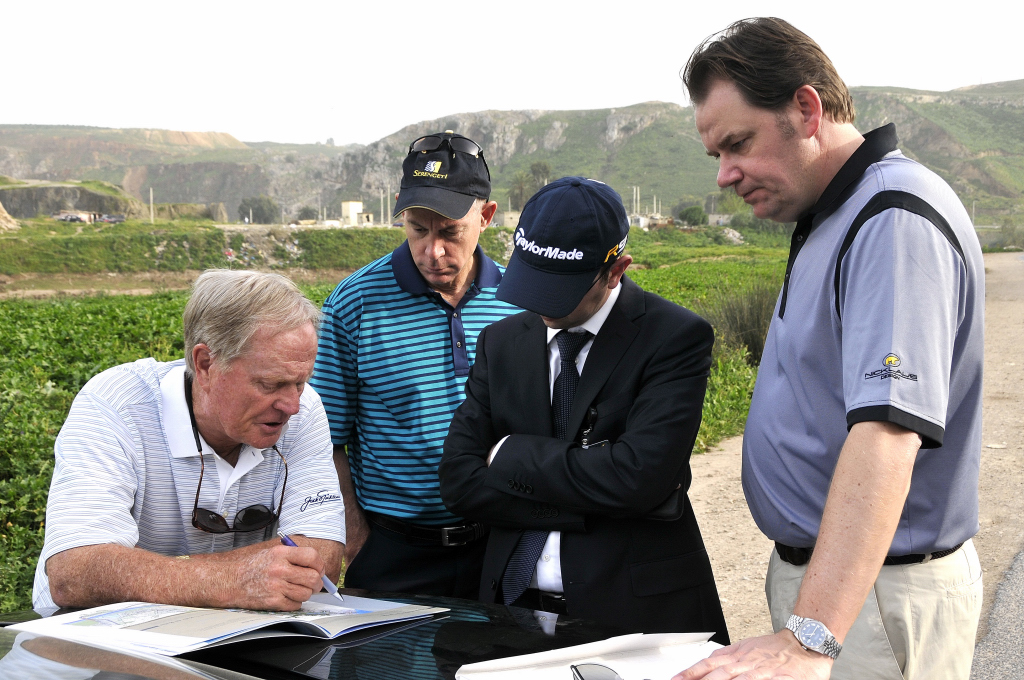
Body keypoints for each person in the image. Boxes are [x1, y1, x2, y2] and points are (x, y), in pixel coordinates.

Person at [675, 18, 985, 680]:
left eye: (738, 144)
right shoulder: (833, 213)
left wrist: (810, 635)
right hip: (847, 595)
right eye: (716, 157)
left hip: (871, 602)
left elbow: (886, 434)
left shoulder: (892, 218)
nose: (727, 175)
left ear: (806, 109)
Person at [438, 176, 729, 641]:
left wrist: (511, 455)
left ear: (615, 270)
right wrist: (595, 499)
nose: (541, 308)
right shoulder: (502, 341)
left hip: (636, 619)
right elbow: (458, 478)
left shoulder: (674, 338)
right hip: (512, 612)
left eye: (559, 292)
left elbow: (639, 477)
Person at [33, 270, 346, 612]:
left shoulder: (306, 408)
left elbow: (321, 557)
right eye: (270, 384)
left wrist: (166, 575)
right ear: (205, 363)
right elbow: (73, 572)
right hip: (90, 640)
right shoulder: (115, 404)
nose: (292, 405)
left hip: (230, 634)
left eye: (300, 382)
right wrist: (232, 579)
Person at [310, 131, 519, 597]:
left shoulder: (517, 303)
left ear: (485, 217)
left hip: (498, 548)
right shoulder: (355, 303)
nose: (432, 251)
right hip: (392, 554)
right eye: (418, 230)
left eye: (449, 231)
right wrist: (356, 540)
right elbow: (325, 439)